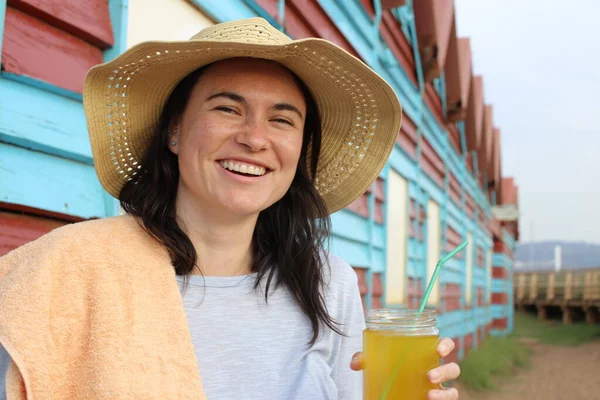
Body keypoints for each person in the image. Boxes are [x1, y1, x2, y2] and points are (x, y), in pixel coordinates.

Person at [0, 18, 459, 399]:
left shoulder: (329, 281)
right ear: (174, 132)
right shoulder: (68, 270)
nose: (255, 139)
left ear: (300, 151)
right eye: (227, 109)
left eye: (282, 119)